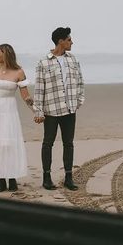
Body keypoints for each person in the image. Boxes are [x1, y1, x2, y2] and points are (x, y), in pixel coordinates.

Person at [33, 27, 84, 191]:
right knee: (48, 144)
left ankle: (69, 177)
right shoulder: (43, 62)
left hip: (70, 109)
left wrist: (78, 101)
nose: (72, 42)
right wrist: (38, 111)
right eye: (69, 39)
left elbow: (80, 82)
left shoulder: (73, 59)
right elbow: (39, 89)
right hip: (51, 110)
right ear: (60, 41)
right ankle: (46, 178)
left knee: (69, 144)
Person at [0, 44, 33, 192]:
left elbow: (26, 96)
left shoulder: (18, 72)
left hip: (9, 110)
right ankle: (1, 179)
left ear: (6, 54)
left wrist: (36, 111)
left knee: (8, 143)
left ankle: (12, 178)